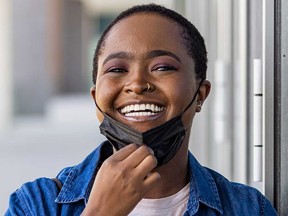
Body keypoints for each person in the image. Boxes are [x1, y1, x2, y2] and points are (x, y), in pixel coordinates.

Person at [6, 3, 277, 216]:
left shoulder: (249, 209)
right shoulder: (35, 205)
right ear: (95, 99)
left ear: (200, 95)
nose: (136, 84)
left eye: (162, 67)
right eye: (116, 69)